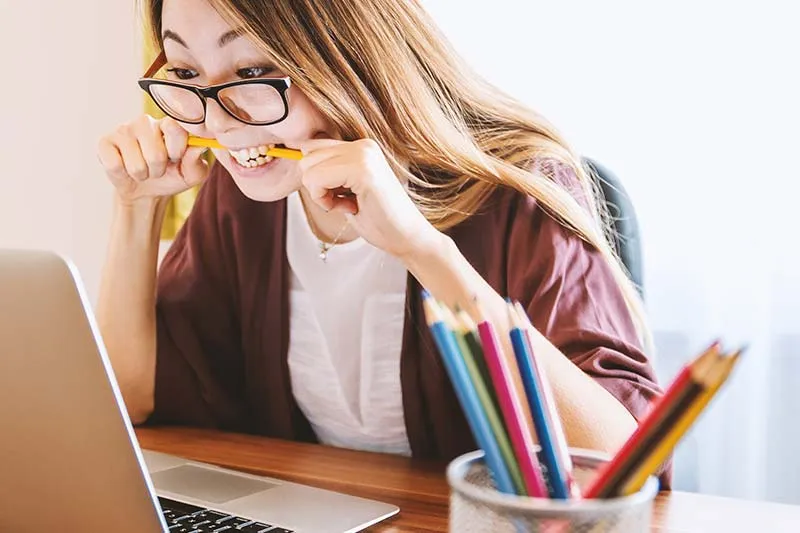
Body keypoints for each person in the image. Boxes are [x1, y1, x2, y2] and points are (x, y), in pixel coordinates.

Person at [97, 0, 670, 486]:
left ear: (349, 57)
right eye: (187, 73)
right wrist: (136, 207)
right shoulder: (243, 199)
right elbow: (133, 396)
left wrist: (422, 249)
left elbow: (622, 464)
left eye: (252, 72)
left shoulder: (517, 192)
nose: (219, 124)